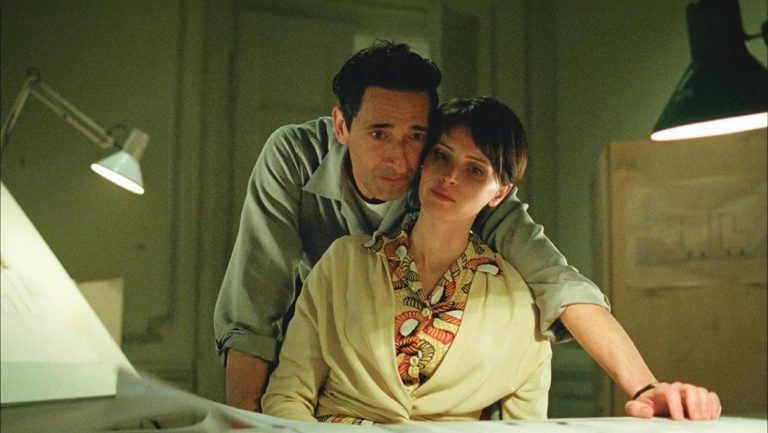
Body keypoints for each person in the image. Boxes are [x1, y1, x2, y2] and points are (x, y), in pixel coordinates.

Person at [214, 40, 721, 420]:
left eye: (416, 136)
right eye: (378, 133)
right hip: (322, 377)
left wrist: (643, 387)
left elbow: (559, 282)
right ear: (342, 127)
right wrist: (244, 421)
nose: (399, 159)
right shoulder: (295, 158)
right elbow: (255, 302)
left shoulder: (451, 179)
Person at [262, 97, 551, 423]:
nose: (450, 176)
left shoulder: (519, 304)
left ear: (499, 193)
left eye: (474, 169)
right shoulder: (345, 262)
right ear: (423, 161)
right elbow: (287, 396)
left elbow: (527, 427)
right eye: (441, 155)